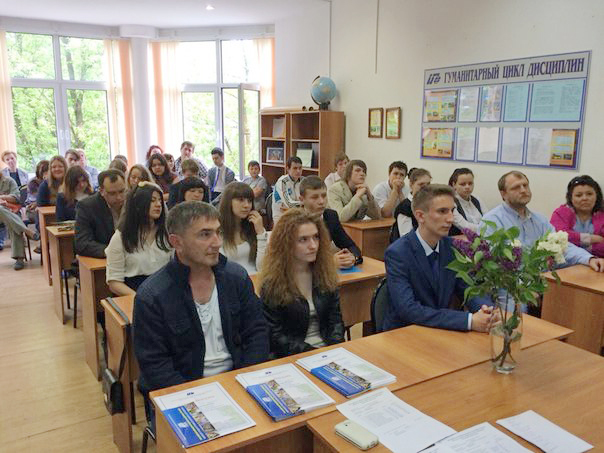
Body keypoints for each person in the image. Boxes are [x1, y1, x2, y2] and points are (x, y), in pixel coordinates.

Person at [133, 201, 269, 422]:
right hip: (185, 393)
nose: (217, 242)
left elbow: (257, 332)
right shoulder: (152, 296)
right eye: (205, 235)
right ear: (176, 242)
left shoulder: (236, 278)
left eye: (218, 232)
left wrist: (244, 381)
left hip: (238, 381)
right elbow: (155, 366)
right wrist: (198, 399)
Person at [382, 184, 496, 332]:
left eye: (452, 211)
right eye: (442, 211)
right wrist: (469, 321)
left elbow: (468, 287)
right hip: (406, 332)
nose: (450, 219)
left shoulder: (451, 247)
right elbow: (408, 309)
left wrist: (486, 310)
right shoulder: (398, 253)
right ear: (420, 216)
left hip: (440, 328)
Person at [259, 208, 344, 357]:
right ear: (286, 244)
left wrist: (334, 349)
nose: (313, 245)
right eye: (303, 240)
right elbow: (276, 337)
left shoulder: (325, 274)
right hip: (293, 356)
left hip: (327, 353)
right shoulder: (272, 284)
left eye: (316, 237)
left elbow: (335, 322)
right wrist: (313, 353)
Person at [481, 171, 604, 272]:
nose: (523, 190)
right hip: (510, 286)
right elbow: (492, 263)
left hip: (541, 280)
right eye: (516, 187)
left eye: (525, 185)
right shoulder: (492, 221)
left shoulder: (540, 220)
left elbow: (562, 246)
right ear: (503, 194)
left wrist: (589, 259)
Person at [105, 182, 172, 295]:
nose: (158, 205)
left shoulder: (167, 233)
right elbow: (114, 282)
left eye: (160, 201)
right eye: (152, 201)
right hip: (134, 292)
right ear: (138, 205)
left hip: (165, 291)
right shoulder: (121, 237)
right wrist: (140, 299)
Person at [299, 176, 362, 269]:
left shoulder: (330, 216)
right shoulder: (294, 221)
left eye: (324, 196)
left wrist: (352, 257)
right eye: (314, 197)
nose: (321, 201)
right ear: (301, 200)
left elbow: (351, 246)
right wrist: (329, 262)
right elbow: (294, 261)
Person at [218, 182, 267, 275]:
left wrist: (260, 233)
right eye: (241, 200)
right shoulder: (217, 230)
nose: (246, 205)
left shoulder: (255, 228)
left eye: (249, 201)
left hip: (255, 278)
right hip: (231, 281)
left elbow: (262, 268)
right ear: (228, 202)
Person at [75, 169, 126, 258]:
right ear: (101, 191)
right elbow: (82, 243)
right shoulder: (87, 207)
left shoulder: (132, 202)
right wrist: (112, 251)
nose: (119, 197)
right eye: (112, 193)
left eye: (122, 191)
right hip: (104, 257)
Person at [550, 175, 604, 258]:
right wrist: (590, 238)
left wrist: (578, 245)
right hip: (567, 262)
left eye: (589, 194)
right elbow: (559, 238)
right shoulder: (560, 213)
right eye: (579, 195)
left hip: (598, 262)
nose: (584, 198)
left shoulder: (602, 214)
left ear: (597, 196)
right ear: (571, 198)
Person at [0, 170, 40, 269]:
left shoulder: (9, 181)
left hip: (10, 211)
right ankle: (26, 230)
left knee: (13, 221)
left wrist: (2, 197)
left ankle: (19, 258)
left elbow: (17, 198)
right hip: (6, 212)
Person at [391, 168, 431, 242]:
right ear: (411, 184)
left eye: (428, 185)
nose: (425, 189)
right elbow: (406, 238)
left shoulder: (431, 204)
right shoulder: (404, 208)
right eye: (421, 185)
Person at [448, 168, 484, 235]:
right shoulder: (450, 202)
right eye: (462, 184)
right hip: (459, 239)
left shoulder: (477, 199)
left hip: (481, 237)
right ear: (454, 185)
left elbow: (488, 219)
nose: (467, 187)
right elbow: (464, 226)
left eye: (470, 183)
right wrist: (485, 229)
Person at [272, 156, 304, 225]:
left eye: (300, 168)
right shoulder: (282, 181)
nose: (298, 171)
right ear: (288, 169)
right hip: (282, 217)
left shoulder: (303, 180)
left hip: (297, 215)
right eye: (295, 168)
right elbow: (289, 204)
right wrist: (304, 204)